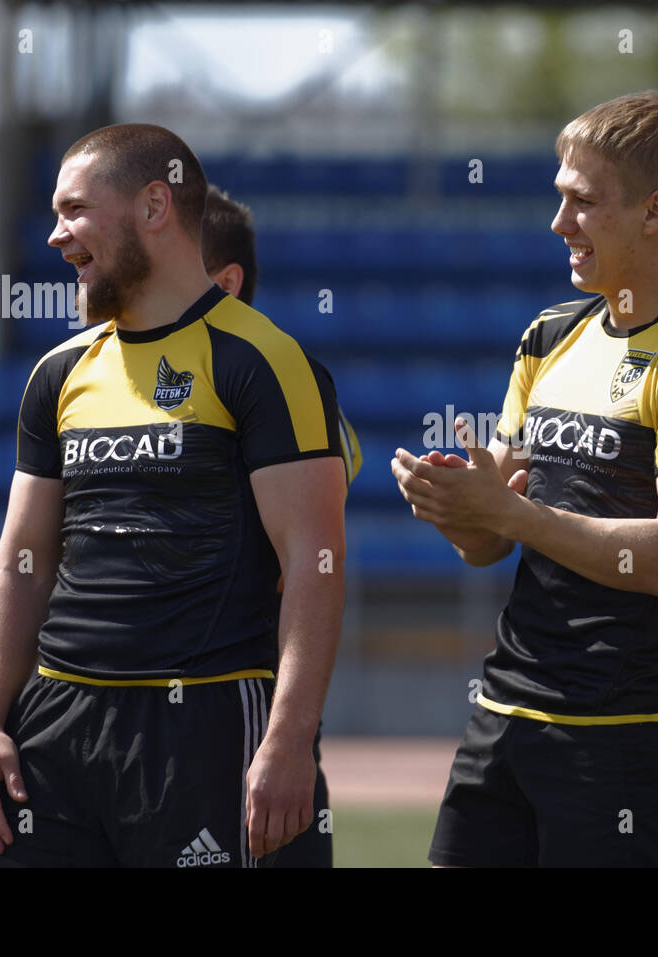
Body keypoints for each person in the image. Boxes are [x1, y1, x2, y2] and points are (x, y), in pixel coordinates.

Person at [392, 91, 658, 867]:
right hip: (503, 712)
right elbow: (490, 543)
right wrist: (457, 509)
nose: (560, 223)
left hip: (625, 736)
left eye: (583, 202)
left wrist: (509, 514)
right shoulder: (549, 335)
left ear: (654, 211)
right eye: (561, 198)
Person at [0, 124, 346, 867]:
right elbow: (20, 560)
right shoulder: (58, 372)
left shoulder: (266, 362)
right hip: (53, 724)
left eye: (74, 211)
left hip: (204, 726)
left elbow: (314, 559)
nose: (54, 236)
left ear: (154, 205)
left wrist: (291, 735)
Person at [200, 183, 359, 868]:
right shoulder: (105, 378)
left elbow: (311, 547)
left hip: (251, 702)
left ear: (226, 283)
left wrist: (287, 732)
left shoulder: (283, 386)